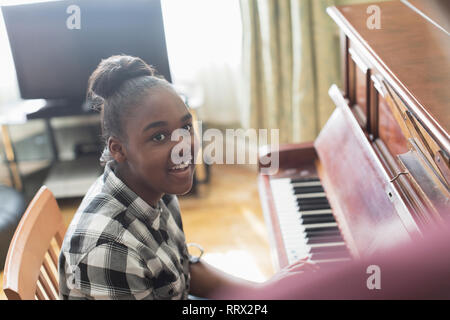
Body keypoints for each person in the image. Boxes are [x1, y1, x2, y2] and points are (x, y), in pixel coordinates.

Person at [58, 55, 312, 300]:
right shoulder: (109, 250)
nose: (183, 147)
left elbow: (181, 269)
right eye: (158, 137)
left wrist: (263, 294)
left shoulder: (152, 185)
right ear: (118, 149)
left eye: (186, 128)